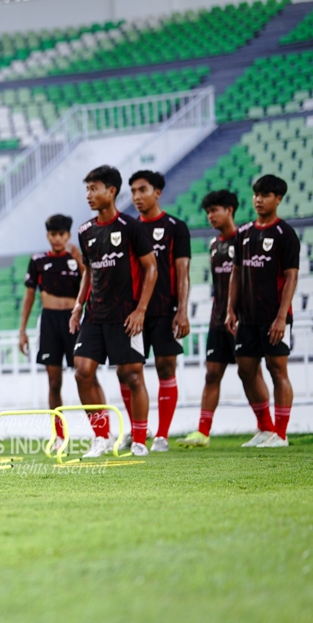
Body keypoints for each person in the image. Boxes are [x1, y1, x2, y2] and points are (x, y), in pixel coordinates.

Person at [69, 165, 158, 458]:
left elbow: (151, 268)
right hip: (95, 314)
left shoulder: (131, 227)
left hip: (126, 314)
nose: (88, 195)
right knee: (82, 372)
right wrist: (79, 305)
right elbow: (88, 271)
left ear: (111, 191)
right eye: (86, 189)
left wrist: (141, 310)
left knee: (132, 375)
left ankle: (140, 438)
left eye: (94, 189)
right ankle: (101, 436)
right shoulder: (85, 231)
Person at [225, 175, 299, 448]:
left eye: (265, 195)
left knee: (277, 370)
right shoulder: (243, 233)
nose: (258, 200)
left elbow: (291, 277)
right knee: (245, 369)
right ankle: (266, 428)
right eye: (256, 194)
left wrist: (281, 317)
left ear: (278, 199)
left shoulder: (285, 234)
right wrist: (230, 308)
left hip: (274, 317)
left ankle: (281, 433)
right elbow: (236, 273)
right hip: (247, 316)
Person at [126, 170, 191, 452]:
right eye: (133, 191)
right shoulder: (128, 228)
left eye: (142, 190)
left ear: (158, 192)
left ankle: (162, 435)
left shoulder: (176, 227)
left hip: (165, 309)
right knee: (128, 371)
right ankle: (137, 430)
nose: (137, 196)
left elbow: (183, 272)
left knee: (165, 367)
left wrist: (182, 310)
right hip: (133, 312)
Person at [179, 190, 239, 448]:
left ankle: (268, 428)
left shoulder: (244, 239)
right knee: (212, 373)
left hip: (241, 319)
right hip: (218, 320)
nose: (210, 216)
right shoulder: (214, 245)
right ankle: (203, 432)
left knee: (250, 372)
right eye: (207, 212)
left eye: (214, 210)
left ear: (229, 210)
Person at [18, 214, 83, 453]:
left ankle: (102, 433)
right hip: (49, 321)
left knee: (85, 376)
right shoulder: (38, 261)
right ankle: (59, 435)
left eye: (61, 234)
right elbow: (29, 296)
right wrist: (22, 330)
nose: (57, 239)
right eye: (53, 234)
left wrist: (80, 260)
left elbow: (91, 282)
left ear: (68, 235)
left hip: (73, 321)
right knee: (54, 381)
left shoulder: (77, 259)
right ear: (48, 236)